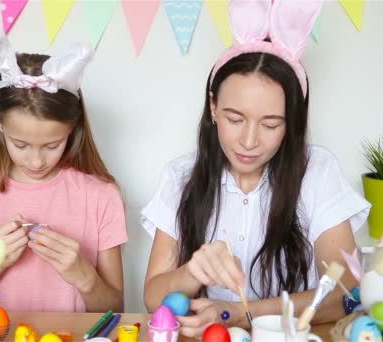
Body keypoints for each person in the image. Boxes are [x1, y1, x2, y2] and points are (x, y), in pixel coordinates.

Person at [141, 0, 370, 337]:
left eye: (271, 124)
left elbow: (345, 294)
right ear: (213, 106)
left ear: (291, 123)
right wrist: (192, 271)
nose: (249, 141)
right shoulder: (181, 176)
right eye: (235, 119)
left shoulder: (317, 172)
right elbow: (151, 297)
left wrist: (238, 314)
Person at [0, 32, 127, 312]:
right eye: (21, 144)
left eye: (52, 145)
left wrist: (85, 277)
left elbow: (116, 310)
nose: (36, 161)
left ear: (72, 128)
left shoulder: (101, 195)